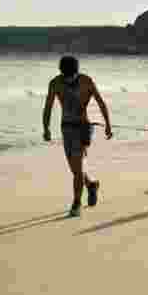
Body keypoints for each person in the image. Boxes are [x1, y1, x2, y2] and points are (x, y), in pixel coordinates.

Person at [43, 56, 113, 216]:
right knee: (76, 169)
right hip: (66, 129)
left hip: (83, 127)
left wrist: (108, 125)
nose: (69, 80)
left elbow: (101, 102)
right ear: (61, 72)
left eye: (72, 76)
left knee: (78, 168)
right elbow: (48, 106)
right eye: (66, 76)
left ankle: (76, 204)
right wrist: (46, 128)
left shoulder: (86, 81)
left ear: (77, 71)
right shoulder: (55, 83)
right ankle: (91, 185)